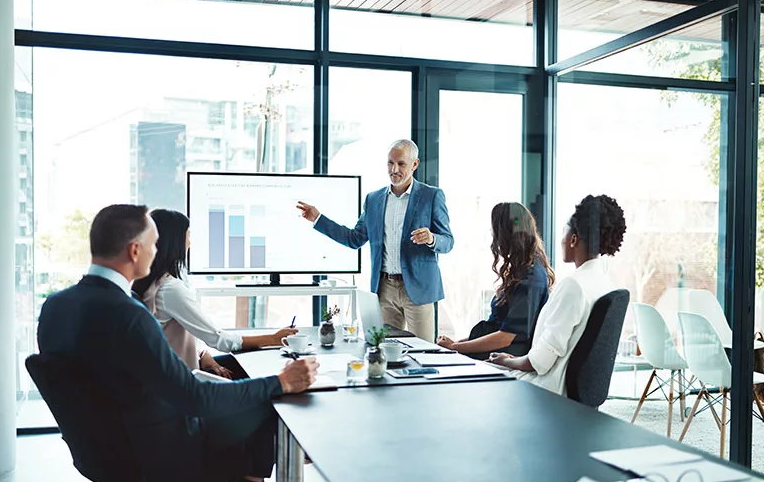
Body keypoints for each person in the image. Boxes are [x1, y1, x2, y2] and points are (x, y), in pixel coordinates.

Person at [37, 204, 319, 482]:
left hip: (101, 452)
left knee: (247, 393)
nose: (157, 252)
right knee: (269, 404)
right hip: (158, 453)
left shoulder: (55, 307)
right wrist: (280, 382)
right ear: (134, 250)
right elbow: (194, 399)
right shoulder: (129, 316)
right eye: (153, 244)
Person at [296, 139, 453, 342]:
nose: (394, 169)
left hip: (418, 289)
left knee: (423, 352)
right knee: (385, 350)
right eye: (390, 163)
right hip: (384, 289)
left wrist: (432, 239)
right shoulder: (374, 199)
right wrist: (318, 218)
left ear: (415, 164)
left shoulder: (431, 196)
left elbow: (448, 241)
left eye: (401, 164)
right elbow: (354, 239)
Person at [132, 209, 297, 380]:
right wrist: (273, 339)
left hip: (169, 374)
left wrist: (203, 355)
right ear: (175, 241)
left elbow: (173, 337)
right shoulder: (171, 289)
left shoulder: (149, 283)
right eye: (188, 236)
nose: (190, 243)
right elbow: (219, 340)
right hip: (181, 383)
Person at [489, 194, 626, 396]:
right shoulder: (605, 283)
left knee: (475, 376)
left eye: (564, 232)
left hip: (546, 390)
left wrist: (506, 361)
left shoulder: (574, 286)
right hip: (565, 391)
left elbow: (540, 362)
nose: (561, 239)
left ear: (573, 239)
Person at [436, 202, 554, 360]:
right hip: (491, 353)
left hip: (500, 358)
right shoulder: (521, 269)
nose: (493, 235)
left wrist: (455, 347)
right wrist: (455, 345)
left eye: (495, 231)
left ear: (506, 234)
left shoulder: (530, 277)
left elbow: (506, 337)